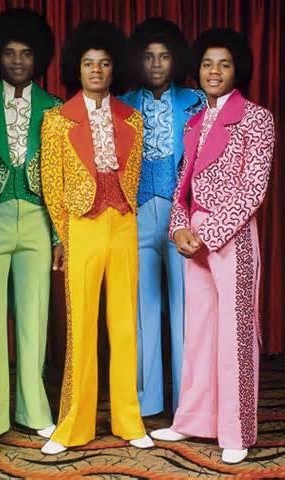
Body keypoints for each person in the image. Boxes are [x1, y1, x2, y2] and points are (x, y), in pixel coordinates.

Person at [150, 28, 275, 465]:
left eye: (223, 64)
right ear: (197, 70)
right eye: (207, 64)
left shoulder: (257, 118)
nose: (214, 71)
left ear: (237, 69)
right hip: (195, 235)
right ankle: (193, 419)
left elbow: (253, 189)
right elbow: (182, 186)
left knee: (235, 332)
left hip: (232, 235)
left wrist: (210, 232)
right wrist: (179, 228)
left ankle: (237, 431)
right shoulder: (195, 121)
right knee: (199, 330)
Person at [40, 20, 154, 454]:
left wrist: (124, 212)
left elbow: (133, 175)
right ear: (77, 67)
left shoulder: (133, 119)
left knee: (124, 325)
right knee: (81, 325)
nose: (96, 70)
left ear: (114, 68)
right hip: (82, 226)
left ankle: (129, 420)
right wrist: (64, 234)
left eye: (104, 63)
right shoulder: (56, 120)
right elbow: (52, 184)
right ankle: (73, 425)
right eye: (89, 63)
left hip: (123, 223)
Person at [0, 8, 61, 451]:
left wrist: (59, 235)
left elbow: (61, 179)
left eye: (26, 53)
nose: (18, 60)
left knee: (34, 316)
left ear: (38, 56)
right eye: (9, 52)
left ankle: (34, 410)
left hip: (39, 218)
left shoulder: (55, 108)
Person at [120, 18, 205, 417]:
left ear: (177, 60)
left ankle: (187, 402)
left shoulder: (195, 102)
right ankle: (147, 399)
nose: (156, 64)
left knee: (185, 308)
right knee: (143, 309)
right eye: (149, 56)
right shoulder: (122, 105)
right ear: (137, 60)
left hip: (181, 216)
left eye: (165, 56)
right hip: (137, 214)